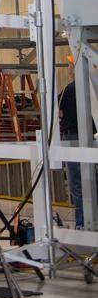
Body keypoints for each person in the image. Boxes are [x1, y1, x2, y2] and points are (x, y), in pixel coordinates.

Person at [59, 71, 97, 230]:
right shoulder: (92, 87)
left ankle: (82, 222)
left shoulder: (68, 89)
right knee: (91, 181)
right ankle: (90, 220)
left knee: (77, 184)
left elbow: (57, 111)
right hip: (90, 136)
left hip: (72, 138)